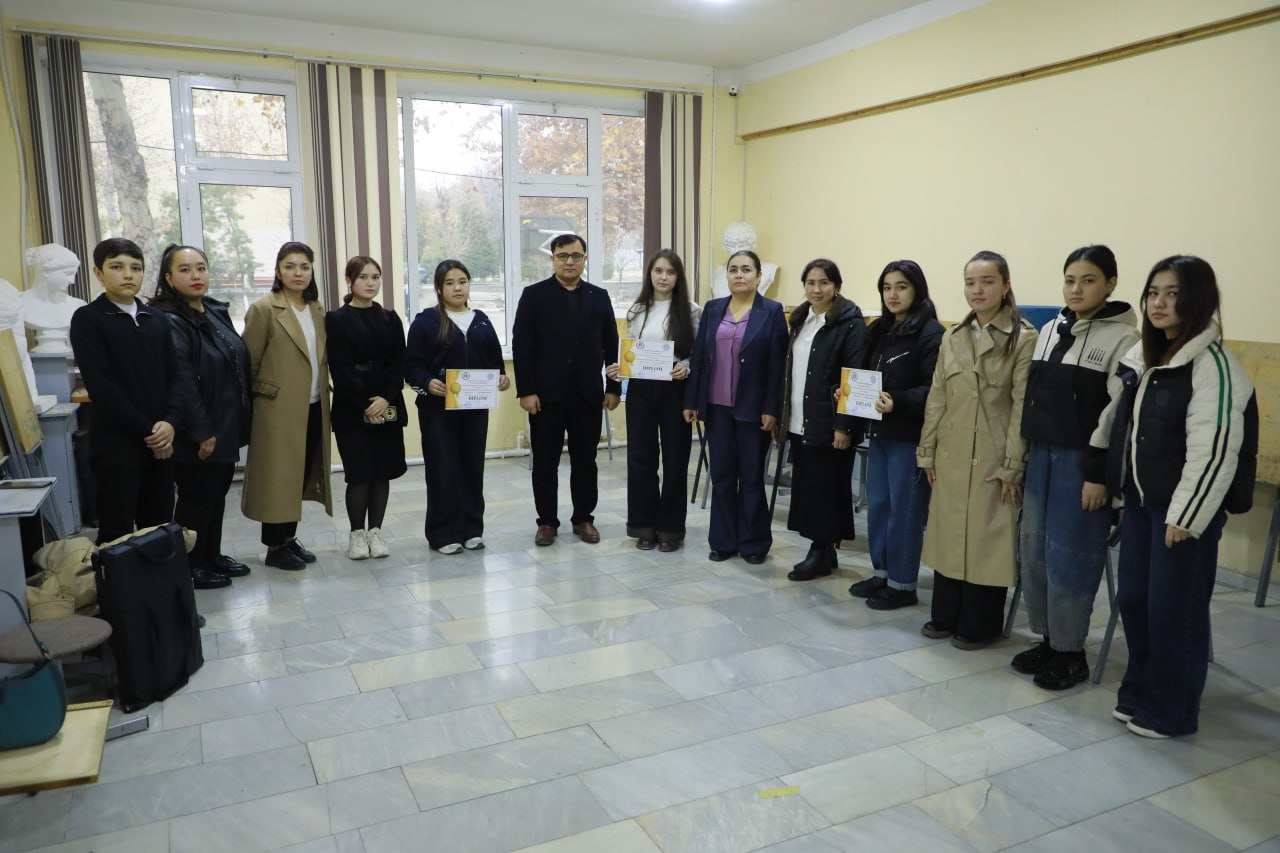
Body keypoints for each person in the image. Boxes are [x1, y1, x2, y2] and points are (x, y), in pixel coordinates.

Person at [1091, 255, 1256, 738]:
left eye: (1173, 293)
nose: (1159, 303)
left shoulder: (1213, 366)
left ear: (1198, 300)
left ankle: (1173, 710)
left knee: (1174, 611)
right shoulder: (1149, 359)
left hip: (1182, 514)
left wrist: (1185, 516)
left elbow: (1215, 449)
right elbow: (1126, 431)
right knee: (1137, 601)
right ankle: (1140, 691)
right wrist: (1122, 492)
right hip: (1143, 505)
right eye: (1153, 293)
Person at [1013, 246, 1139, 689]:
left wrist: (1098, 475)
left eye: (1088, 280)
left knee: (1070, 556)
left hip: (1081, 465)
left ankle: (1071, 652)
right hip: (1040, 457)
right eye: (1070, 280)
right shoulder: (1050, 329)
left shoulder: (1124, 340)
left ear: (1110, 283)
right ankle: (1049, 639)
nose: (1076, 289)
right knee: (1034, 552)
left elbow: (1117, 416)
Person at [917, 250, 1035, 649]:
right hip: (951, 452)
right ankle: (945, 613)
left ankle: (980, 623)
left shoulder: (1023, 337)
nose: (978, 290)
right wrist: (927, 451)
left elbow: (1021, 407)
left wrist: (1013, 465)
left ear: (1006, 286)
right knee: (949, 532)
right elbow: (937, 397)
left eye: (987, 282)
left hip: (993, 454)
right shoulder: (953, 337)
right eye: (971, 283)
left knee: (987, 541)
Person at [150, 244, 253, 590]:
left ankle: (211, 555)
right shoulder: (169, 319)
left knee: (216, 494)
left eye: (201, 268)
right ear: (168, 278)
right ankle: (191, 565)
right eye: (185, 270)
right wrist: (201, 429)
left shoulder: (212, 309)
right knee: (196, 498)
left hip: (224, 420)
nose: (195, 276)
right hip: (198, 427)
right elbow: (182, 380)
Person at [69, 238, 182, 544]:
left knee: (159, 526)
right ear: (98, 272)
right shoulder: (88, 319)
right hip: (117, 444)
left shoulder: (156, 319)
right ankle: (116, 579)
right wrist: (150, 432)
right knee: (116, 530)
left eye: (136, 268)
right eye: (117, 267)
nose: (128, 275)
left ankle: (158, 578)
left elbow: (175, 376)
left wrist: (170, 422)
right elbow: (102, 387)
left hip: (162, 440)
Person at [512, 233, 621, 546]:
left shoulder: (599, 296)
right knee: (545, 462)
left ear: (584, 259)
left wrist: (614, 387)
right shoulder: (534, 295)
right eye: (563, 256)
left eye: (576, 256)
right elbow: (522, 346)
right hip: (545, 397)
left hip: (588, 395)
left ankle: (584, 518)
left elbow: (611, 344)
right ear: (553, 259)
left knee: (585, 460)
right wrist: (526, 391)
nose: (569, 261)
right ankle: (547, 521)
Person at [849, 260, 945, 609]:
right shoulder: (879, 330)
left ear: (917, 289)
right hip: (879, 433)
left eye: (901, 287)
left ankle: (903, 584)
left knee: (905, 511)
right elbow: (864, 375)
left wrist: (898, 401)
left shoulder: (931, 333)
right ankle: (882, 573)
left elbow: (935, 390)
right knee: (879, 506)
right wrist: (847, 392)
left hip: (909, 436)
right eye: (887, 287)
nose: (893, 294)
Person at [683, 250, 788, 564]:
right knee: (722, 476)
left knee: (752, 478)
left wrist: (772, 408)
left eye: (746, 269)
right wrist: (692, 400)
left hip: (753, 410)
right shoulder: (714, 308)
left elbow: (778, 366)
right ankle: (723, 541)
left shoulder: (772, 311)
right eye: (733, 270)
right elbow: (699, 358)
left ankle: (754, 543)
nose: (739, 275)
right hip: (717, 409)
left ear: (758, 276)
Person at [404, 260, 508, 553]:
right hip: (437, 411)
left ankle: (472, 529)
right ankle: (443, 534)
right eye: (450, 283)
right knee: (443, 469)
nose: (458, 288)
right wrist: (427, 382)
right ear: (439, 288)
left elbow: (495, 361)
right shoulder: (426, 322)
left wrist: (501, 377)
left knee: (472, 468)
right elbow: (411, 367)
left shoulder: (482, 320)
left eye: (462, 281)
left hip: (475, 409)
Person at [241, 242, 333, 570]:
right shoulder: (264, 309)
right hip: (277, 410)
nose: (298, 273)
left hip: (314, 405)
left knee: (299, 474)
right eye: (290, 266)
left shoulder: (316, 309)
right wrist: (263, 400)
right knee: (278, 478)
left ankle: (289, 538)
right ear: (278, 271)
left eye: (304, 267)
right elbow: (249, 364)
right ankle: (274, 546)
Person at [605, 250, 700, 552]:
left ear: (678, 277)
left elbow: (699, 355)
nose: (663, 277)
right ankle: (644, 526)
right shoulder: (636, 310)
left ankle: (671, 529)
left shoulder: (692, 311)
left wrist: (686, 367)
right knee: (641, 458)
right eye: (658, 271)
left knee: (675, 459)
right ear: (649, 274)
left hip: (675, 389)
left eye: (670, 272)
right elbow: (631, 352)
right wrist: (619, 369)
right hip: (641, 390)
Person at [781, 259, 867, 581]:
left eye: (824, 283)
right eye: (811, 283)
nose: (816, 289)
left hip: (830, 423)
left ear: (837, 286)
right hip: (800, 418)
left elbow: (854, 376)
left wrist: (844, 425)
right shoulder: (801, 319)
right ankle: (825, 551)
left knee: (826, 489)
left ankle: (819, 551)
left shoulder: (850, 324)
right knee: (808, 487)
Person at [326, 256, 407, 560]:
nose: (370, 283)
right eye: (363, 277)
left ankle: (376, 531)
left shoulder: (390, 318)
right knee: (359, 473)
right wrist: (365, 404)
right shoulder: (336, 319)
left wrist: (385, 398)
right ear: (349, 281)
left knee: (382, 472)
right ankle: (357, 534)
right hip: (351, 408)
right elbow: (340, 367)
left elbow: (399, 363)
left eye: (375, 277)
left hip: (387, 405)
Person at [22, 242, 87, 353]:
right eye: (67, 273)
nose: (72, 281)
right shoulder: (19, 303)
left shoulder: (78, 306)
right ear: (46, 271)